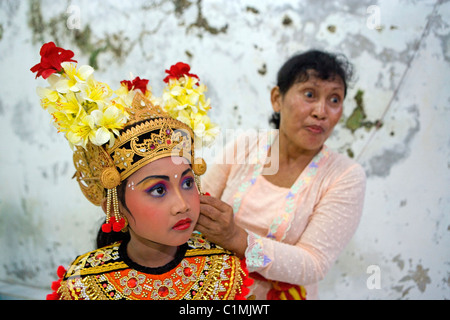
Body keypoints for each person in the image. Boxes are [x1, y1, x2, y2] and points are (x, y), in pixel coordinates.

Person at [31, 42, 251, 300]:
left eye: (188, 183)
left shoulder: (223, 271)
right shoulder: (83, 285)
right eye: (158, 189)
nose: (182, 205)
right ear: (114, 207)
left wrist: (237, 238)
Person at [196, 50, 366, 300]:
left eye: (334, 99)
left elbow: (312, 263)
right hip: (215, 289)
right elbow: (199, 202)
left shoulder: (345, 176)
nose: (321, 111)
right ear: (277, 98)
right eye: (309, 94)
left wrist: (236, 239)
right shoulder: (245, 147)